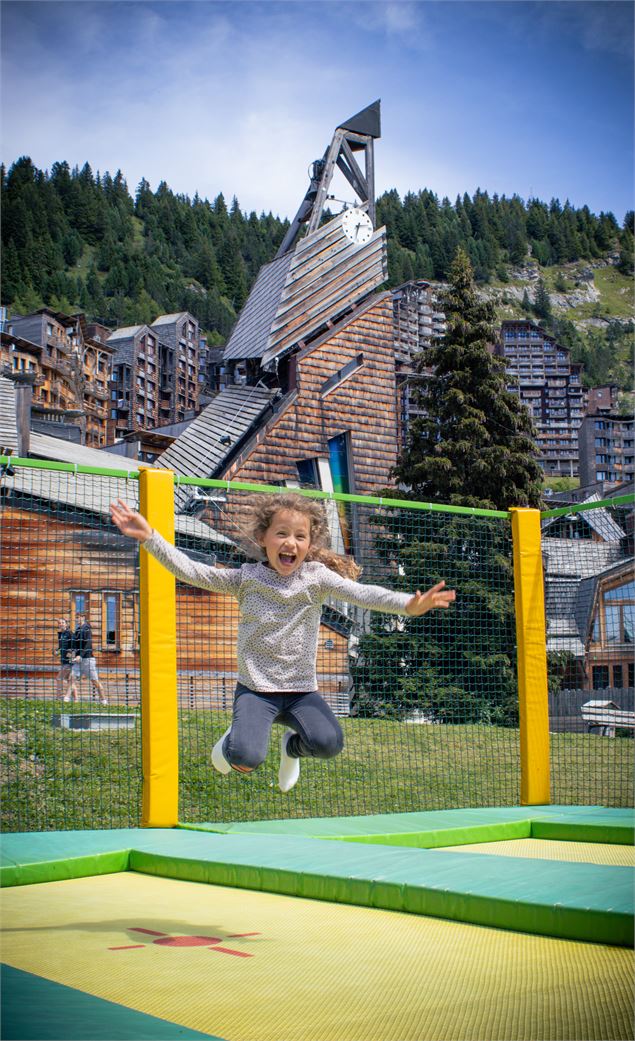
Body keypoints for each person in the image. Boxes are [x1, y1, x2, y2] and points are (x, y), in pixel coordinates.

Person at [110, 492, 455, 792]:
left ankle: (291, 749)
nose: (291, 543)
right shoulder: (246, 579)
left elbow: (363, 593)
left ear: (309, 544)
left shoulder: (316, 578)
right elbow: (194, 572)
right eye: (282, 534)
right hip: (256, 690)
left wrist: (408, 605)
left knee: (329, 743)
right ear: (263, 537)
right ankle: (236, 739)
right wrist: (151, 538)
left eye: (300, 536)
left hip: (301, 690)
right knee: (244, 758)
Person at [72, 612, 108, 705]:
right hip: (78, 660)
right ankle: (74, 701)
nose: (76, 619)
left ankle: (103, 701)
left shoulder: (87, 629)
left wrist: (81, 655)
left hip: (88, 659)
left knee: (94, 681)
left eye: (78, 617)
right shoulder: (77, 630)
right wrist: (73, 655)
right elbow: (75, 645)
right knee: (71, 678)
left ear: (83, 617)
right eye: (75, 618)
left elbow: (88, 644)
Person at [55, 618, 78, 702]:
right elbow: (61, 646)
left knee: (59, 678)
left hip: (69, 661)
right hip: (63, 659)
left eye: (62, 622)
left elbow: (74, 647)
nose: (61, 624)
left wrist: (70, 659)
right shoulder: (60, 634)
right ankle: (76, 700)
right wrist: (57, 651)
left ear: (66, 624)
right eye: (59, 623)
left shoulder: (70, 633)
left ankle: (58, 697)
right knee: (70, 681)